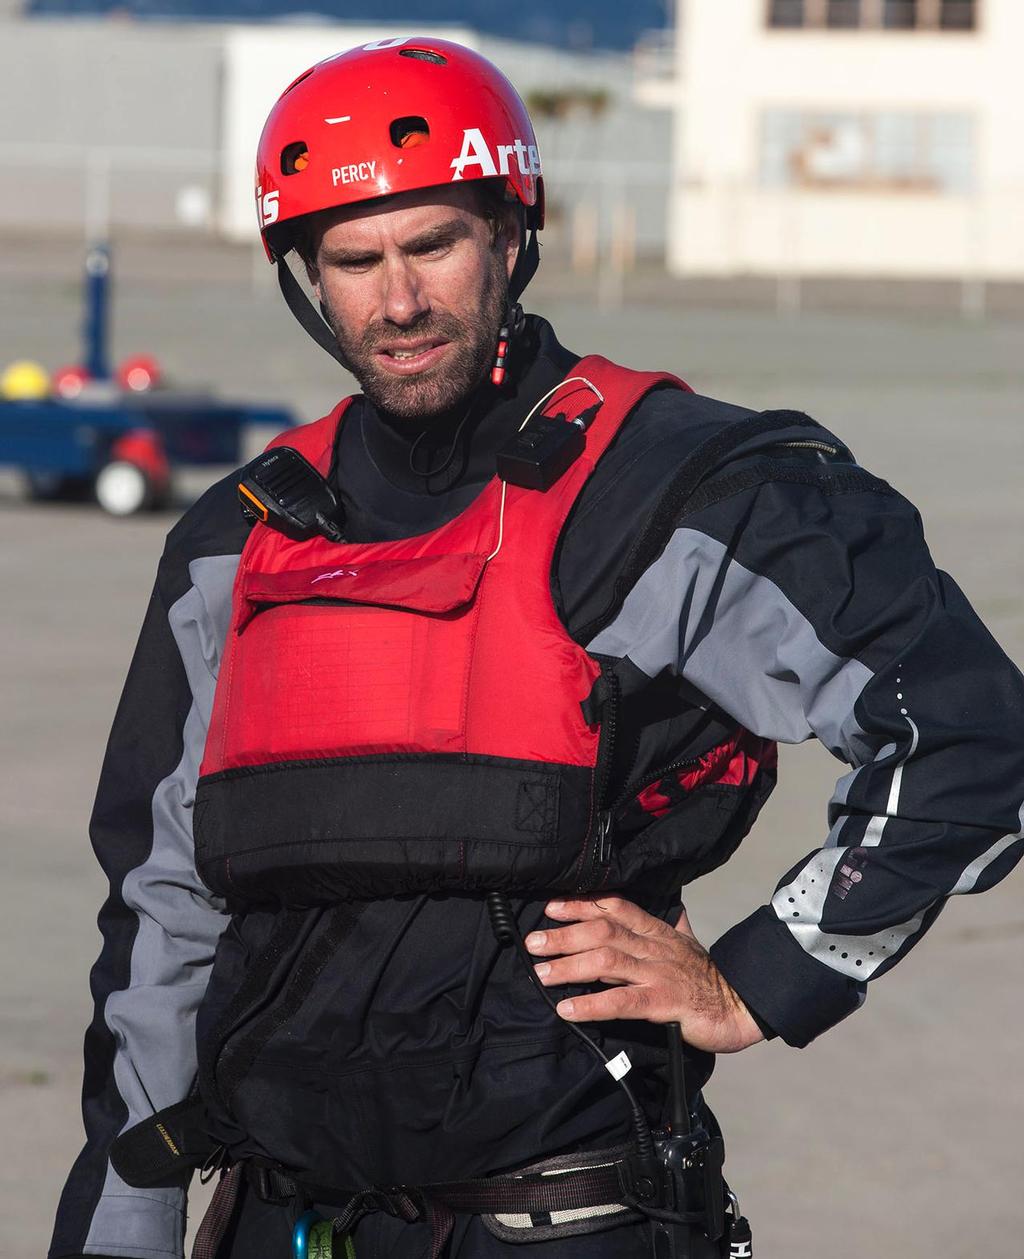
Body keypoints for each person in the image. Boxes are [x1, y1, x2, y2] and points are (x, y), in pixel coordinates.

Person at [49, 37, 1024, 1259]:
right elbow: (159, 914)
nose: (397, 300)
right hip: (276, 1219)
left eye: (433, 244)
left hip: (563, 1219)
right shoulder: (231, 547)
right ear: (305, 277)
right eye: (353, 260)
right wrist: (123, 1224)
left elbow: (965, 732)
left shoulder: (676, 490)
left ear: (512, 234)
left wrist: (761, 974)